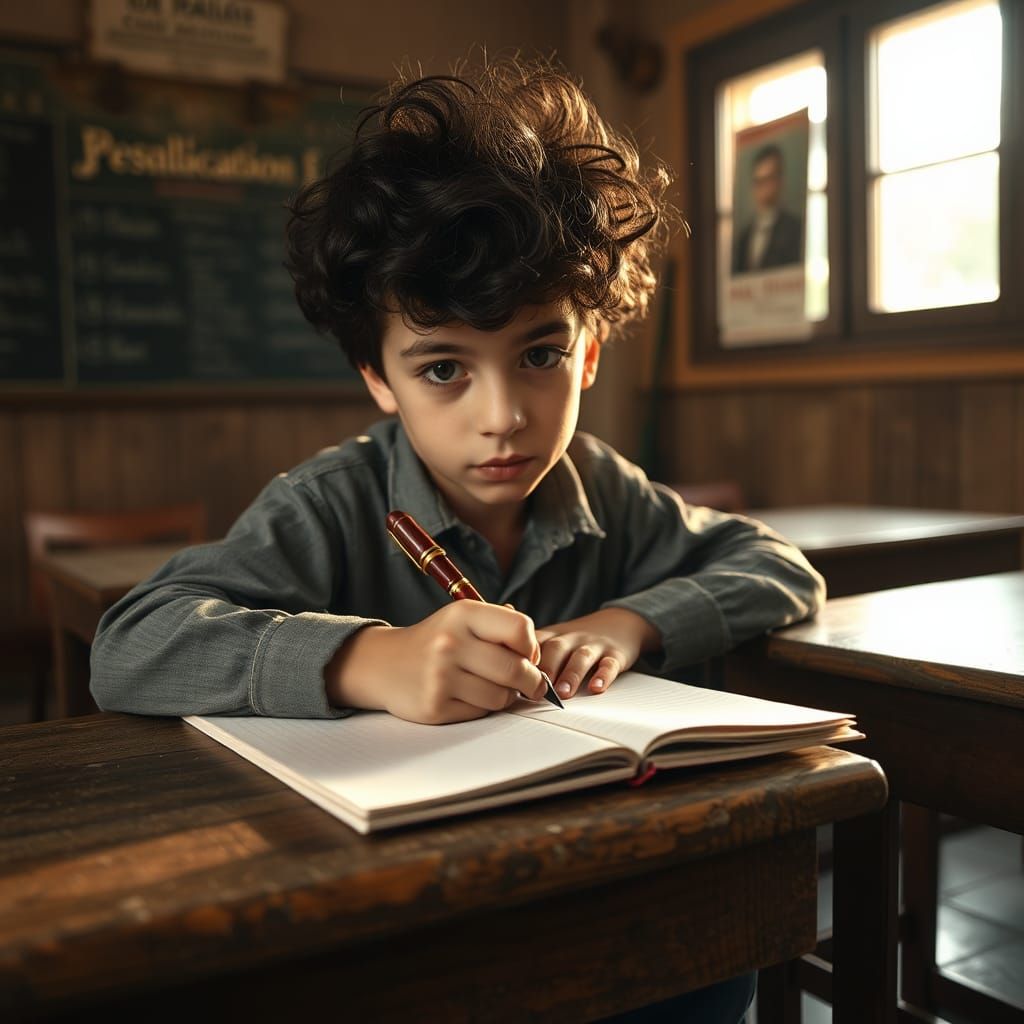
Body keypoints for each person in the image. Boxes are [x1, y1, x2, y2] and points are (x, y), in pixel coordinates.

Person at [90, 57, 824, 1023]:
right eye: (443, 369)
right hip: (402, 917)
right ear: (377, 379)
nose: (504, 417)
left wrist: (634, 620)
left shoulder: (602, 485)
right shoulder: (329, 506)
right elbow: (131, 642)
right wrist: (367, 659)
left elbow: (780, 566)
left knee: (720, 944)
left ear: (589, 352)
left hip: (591, 885)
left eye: (541, 355)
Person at [731, 142, 803, 274]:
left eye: (769, 179)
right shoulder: (743, 238)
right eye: (759, 181)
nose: (764, 189)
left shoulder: (795, 229)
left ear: (780, 181)